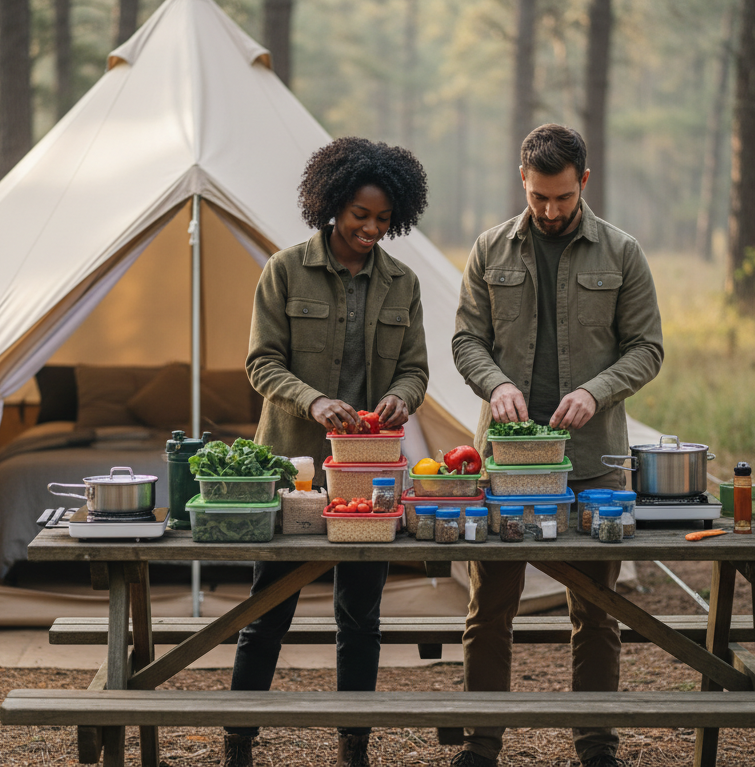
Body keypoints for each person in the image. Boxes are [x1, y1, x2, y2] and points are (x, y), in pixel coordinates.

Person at [449, 124, 663, 767]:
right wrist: (496, 384)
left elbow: (648, 349)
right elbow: (467, 343)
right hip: (506, 468)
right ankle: (482, 745)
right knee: (490, 610)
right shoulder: (489, 250)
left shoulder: (623, 253)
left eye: (562, 198)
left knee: (596, 611)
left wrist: (596, 392)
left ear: (584, 184)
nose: (549, 210)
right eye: (539, 196)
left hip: (594, 463)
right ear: (523, 180)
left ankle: (596, 746)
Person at [226, 136, 431, 767]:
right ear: (332, 205)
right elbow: (261, 363)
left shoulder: (403, 284)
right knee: (268, 612)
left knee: (360, 616)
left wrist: (400, 397)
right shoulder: (284, 270)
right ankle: (239, 739)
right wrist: (313, 402)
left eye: (382, 219)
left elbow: (416, 370)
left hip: (369, 474)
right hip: (292, 470)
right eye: (360, 216)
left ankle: (353, 745)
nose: (371, 229)